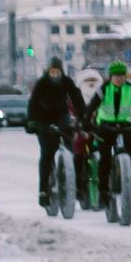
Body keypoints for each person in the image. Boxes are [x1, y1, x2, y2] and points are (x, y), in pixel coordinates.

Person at [25, 59, 87, 208]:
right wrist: (32, 122)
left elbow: (76, 97)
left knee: (71, 148)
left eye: (58, 72)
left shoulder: (66, 81)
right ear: (48, 72)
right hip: (43, 118)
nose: (55, 75)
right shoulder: (42, 83)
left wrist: (82, 117)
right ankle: (43, 191)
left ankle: (75, 184)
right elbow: (33, 103)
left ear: (61, 72)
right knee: (47, 153)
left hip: (61, 116)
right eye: (53, 72)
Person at [90, 58, 131, 204]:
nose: (119, 79)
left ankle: (127, 168)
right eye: (116, 76)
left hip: (123, 125)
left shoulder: (130, 89)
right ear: (110, 77)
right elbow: (92, 107)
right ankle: (103, 192)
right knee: (105, 160)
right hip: (105, 126)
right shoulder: (104, 89)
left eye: (122, 76)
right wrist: (87, 122)